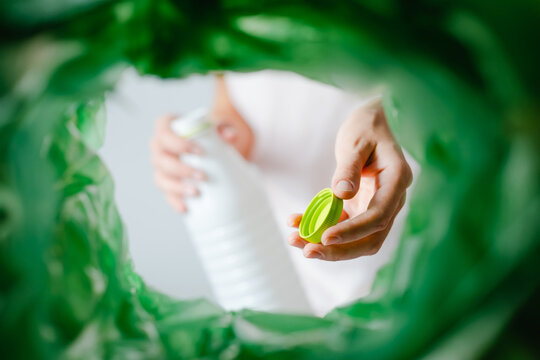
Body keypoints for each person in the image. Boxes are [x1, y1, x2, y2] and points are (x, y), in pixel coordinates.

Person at [149, 70, 413, 315]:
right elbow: (232, 85)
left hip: (414, 247)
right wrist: (215, 136)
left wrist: (392, 110)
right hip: (298, 276)